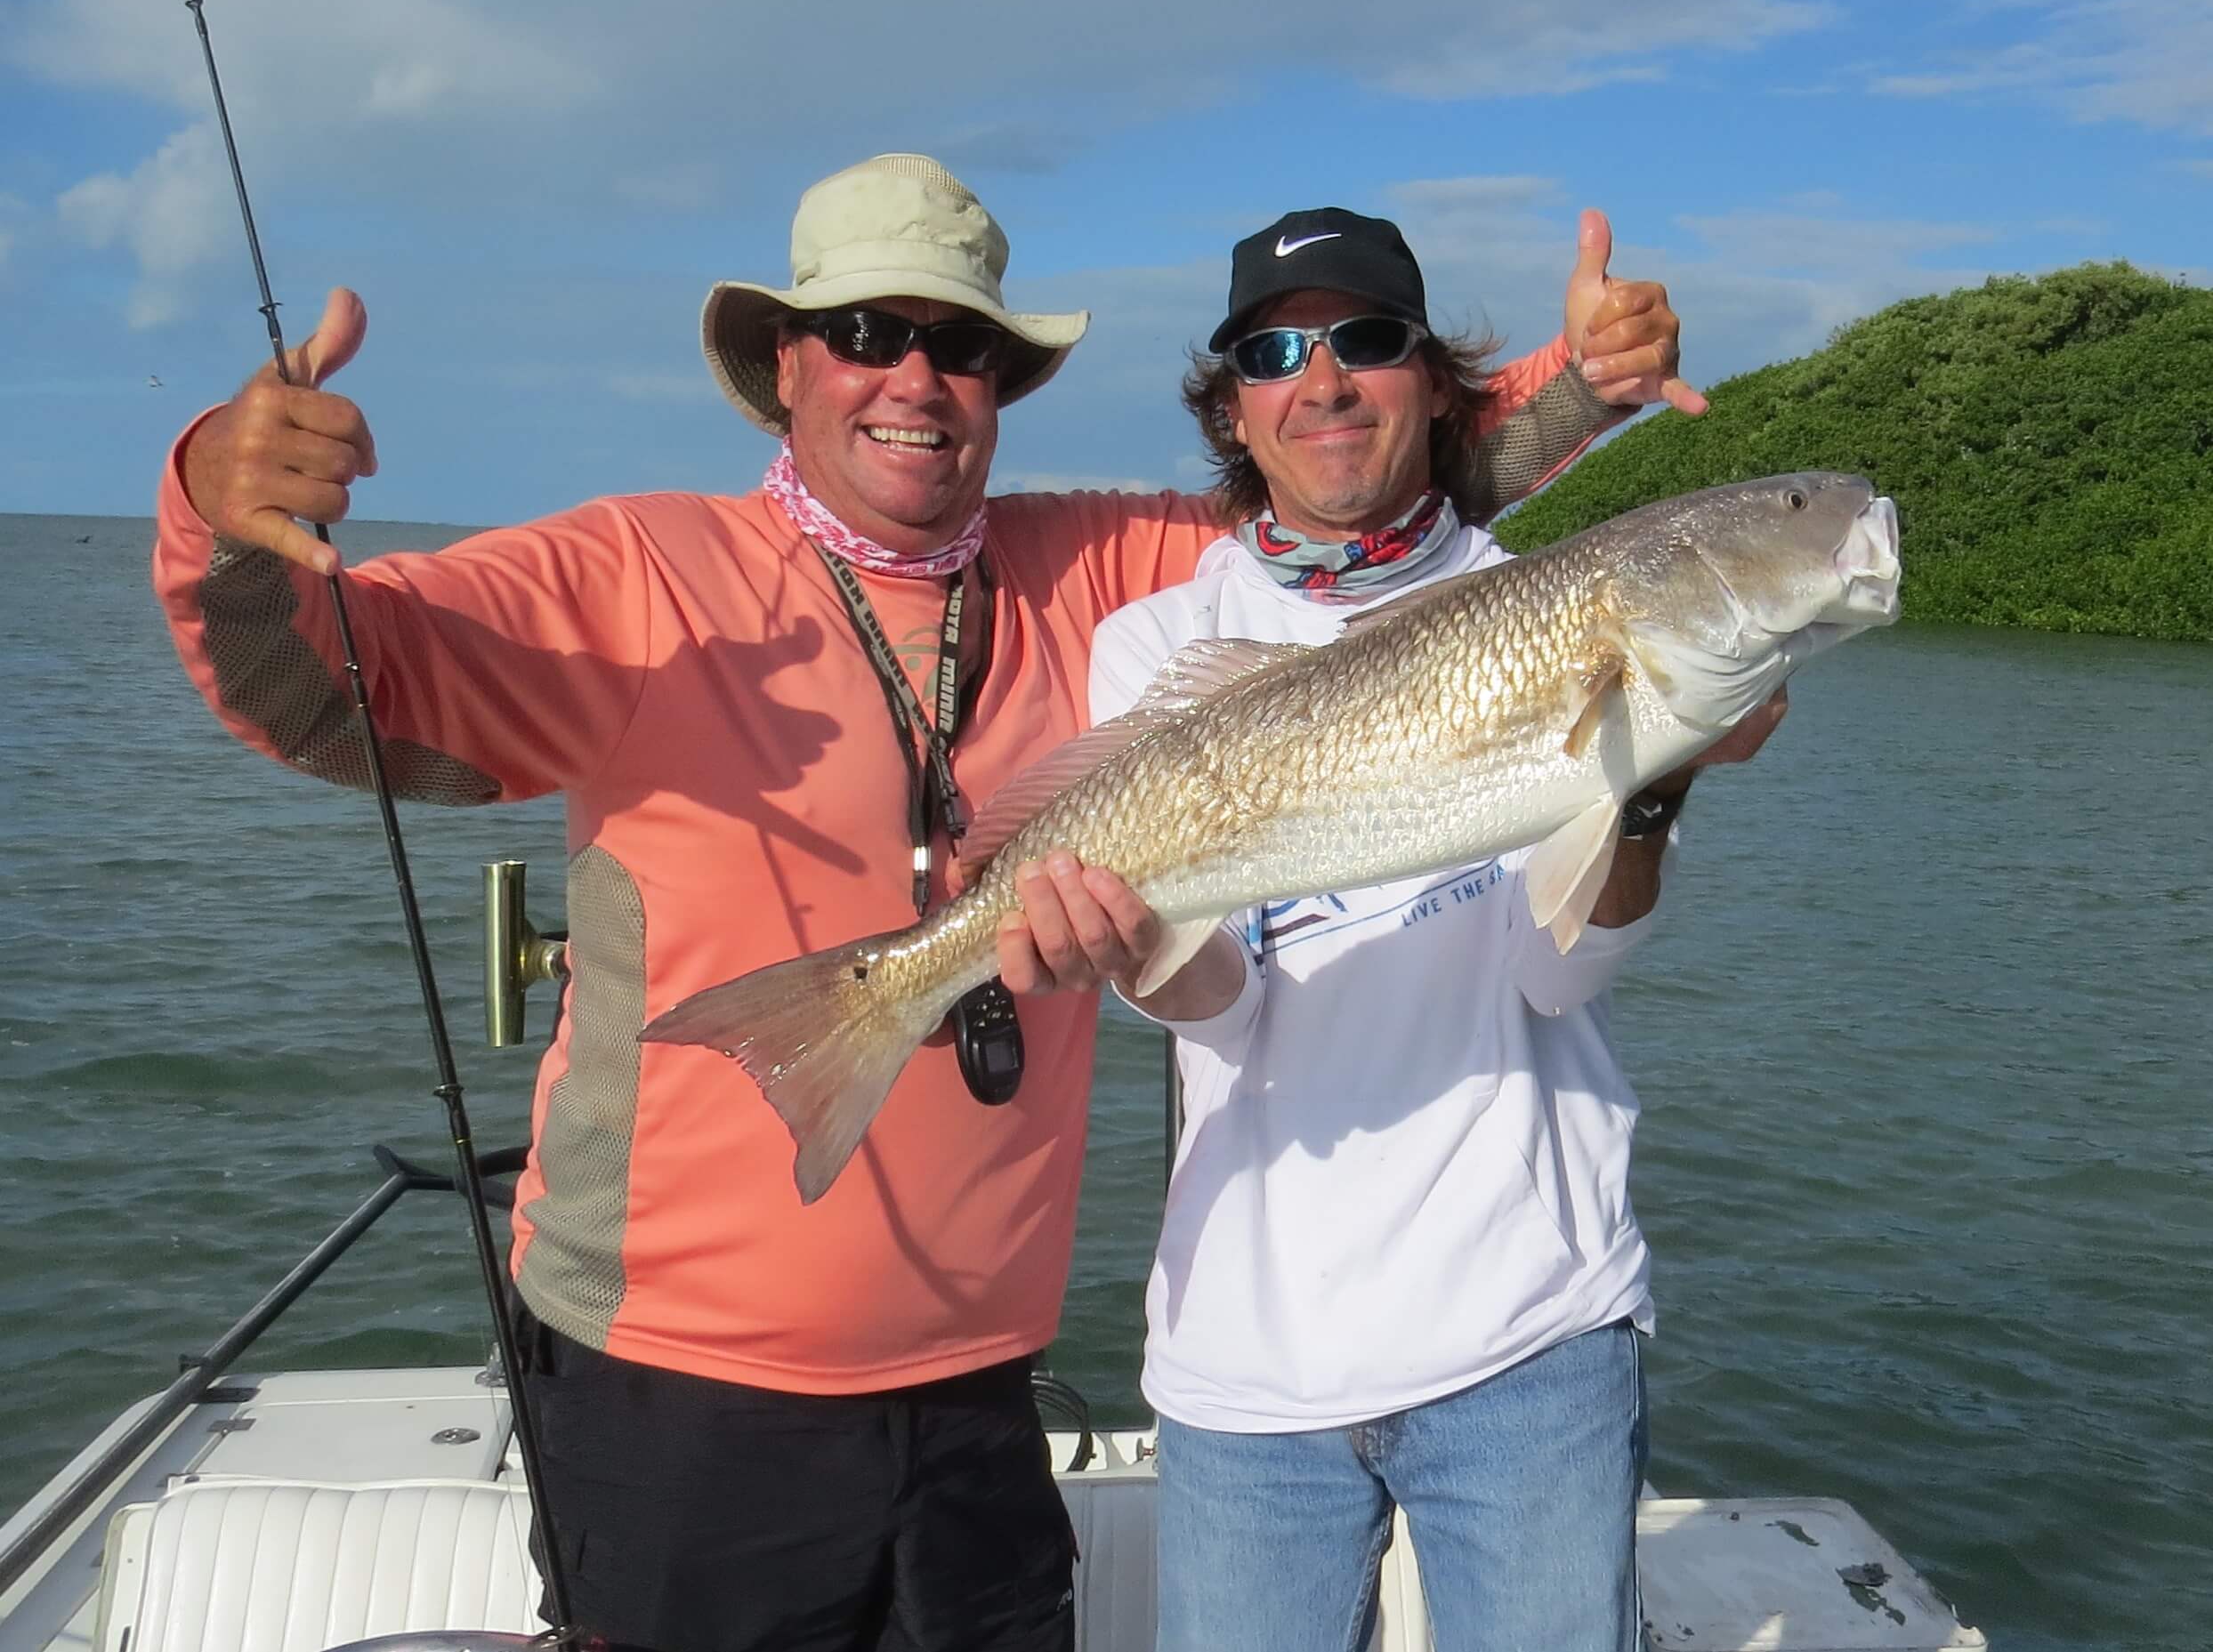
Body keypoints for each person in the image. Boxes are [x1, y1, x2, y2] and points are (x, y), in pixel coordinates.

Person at [152, 154, 1691, 1652]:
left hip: (976, 1388)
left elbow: (1351, 488)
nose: (914, 378)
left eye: (957, 344)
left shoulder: (1099, 571)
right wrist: (221, 518)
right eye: (866, 334)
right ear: (784, 366)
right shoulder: (635, 570)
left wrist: (1585, 379)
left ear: (1001, 385)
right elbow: (328, 693)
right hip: (680, 1392)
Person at [1080, 207, 1775, 1652]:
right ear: (1235, 408)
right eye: (1274, 351)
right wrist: (1128, 939)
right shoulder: (1154, 647)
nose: (1321, 379)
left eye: (1370, 339)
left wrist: (1647, 793)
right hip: (1247, 1369)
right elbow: (1221, 1012)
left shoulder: (1544, 604)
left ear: (1441, 381)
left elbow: (1553, 968)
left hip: (1533, 1331)